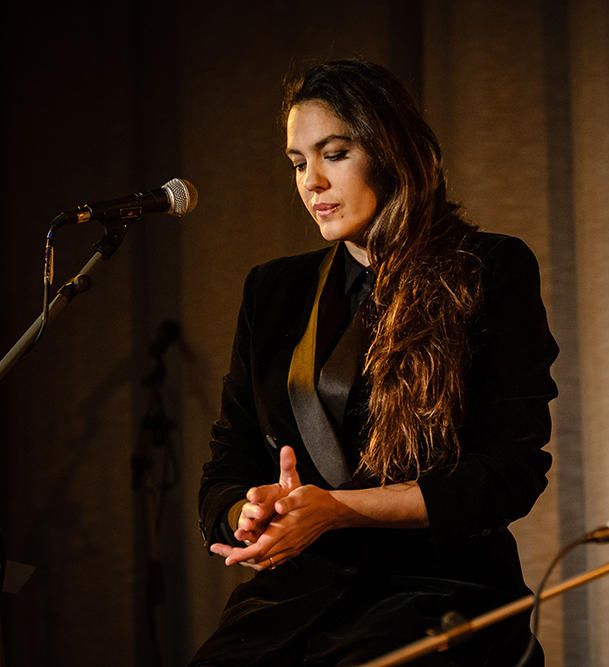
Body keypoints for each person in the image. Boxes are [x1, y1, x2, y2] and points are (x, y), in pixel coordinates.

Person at [191, 59, 558, 666]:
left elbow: (509, 474)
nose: (311, 181)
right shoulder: (272, 290)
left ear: (392, 152)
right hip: (296, 599)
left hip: (441, 590)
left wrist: (335, 511)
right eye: (297, 162)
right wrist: (250, 511)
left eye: (333, 154)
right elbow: (228, 462)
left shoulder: (488, 268)